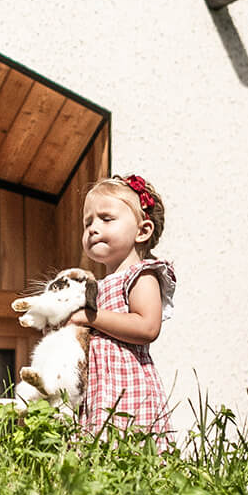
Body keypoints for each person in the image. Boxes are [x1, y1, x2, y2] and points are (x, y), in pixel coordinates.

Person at [70, 174, 176, 448]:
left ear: (143, 231)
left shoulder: (141, 275)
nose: (93, 228)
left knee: (130, 452)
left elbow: (147, 327)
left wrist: (89, 316)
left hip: (128, 387)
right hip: (98, 388)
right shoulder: (97, 285)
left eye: (106, 219)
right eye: (87, 222)